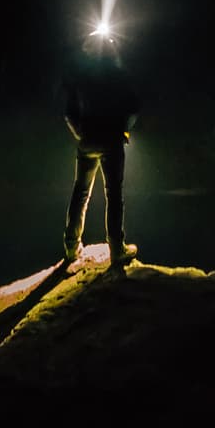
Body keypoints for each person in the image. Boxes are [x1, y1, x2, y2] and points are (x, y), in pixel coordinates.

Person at [62, 28, 140, 270]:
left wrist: (81, 134)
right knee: (113, 194)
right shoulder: (118, 74)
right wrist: (124, 131)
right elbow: (133, 108)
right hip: (111, 140)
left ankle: (71, 247)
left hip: (87, 141)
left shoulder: (80, 76)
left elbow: (68, 112)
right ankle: (117, 249)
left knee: (80, 192)